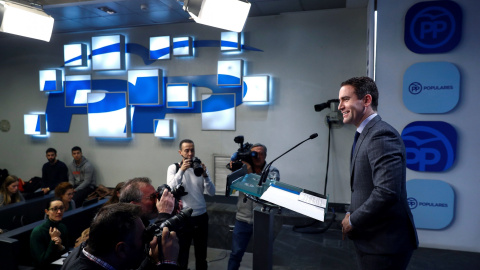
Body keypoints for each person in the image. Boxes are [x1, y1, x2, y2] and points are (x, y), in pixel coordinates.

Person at [338, 76, 418, 270]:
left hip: (384, 244)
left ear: (366, 100)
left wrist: (354, 220)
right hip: (371, 239)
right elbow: (362, 186)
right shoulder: (364, 134)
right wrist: (350, 212)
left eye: (345, 99)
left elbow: (387, 191)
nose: (340, 106)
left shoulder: (381, 135)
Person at [61, 203, 180, 270]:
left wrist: (151, 260)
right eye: (143, 238)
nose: (147, 242)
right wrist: (168, 263)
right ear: (121, 249)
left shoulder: (83, 252)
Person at [227, 143, 280, 270]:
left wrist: (250, 172)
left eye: (261, 153)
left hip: (262, 220)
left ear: (266, 155)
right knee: (235, 254)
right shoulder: (243, 169)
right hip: (242, 218)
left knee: (262, 256)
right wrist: (235, 165)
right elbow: (231, 185)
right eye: (254, 153)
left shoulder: (272, 171)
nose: (258, 156)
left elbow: (264, 193)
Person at [167, 139, 215, 270]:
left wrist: (205, 176)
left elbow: (212, 192)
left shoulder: (200, 167)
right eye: (186, 150)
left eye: (192, 150)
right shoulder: (174, 168)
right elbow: (170, 188)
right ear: (180, 152)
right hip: (183, 218)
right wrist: (181, 170)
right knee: (182, 253)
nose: (190, 153)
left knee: (201, 254)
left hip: (201, 215)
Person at [30, 197, 69, 268]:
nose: (59, 212)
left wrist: (61, 247)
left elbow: (66, 251)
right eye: (55, 209)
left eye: (61, 208)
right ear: (47, 211)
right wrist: (53, 240)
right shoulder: (38, 232)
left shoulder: (62, 227)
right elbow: (42, 262)